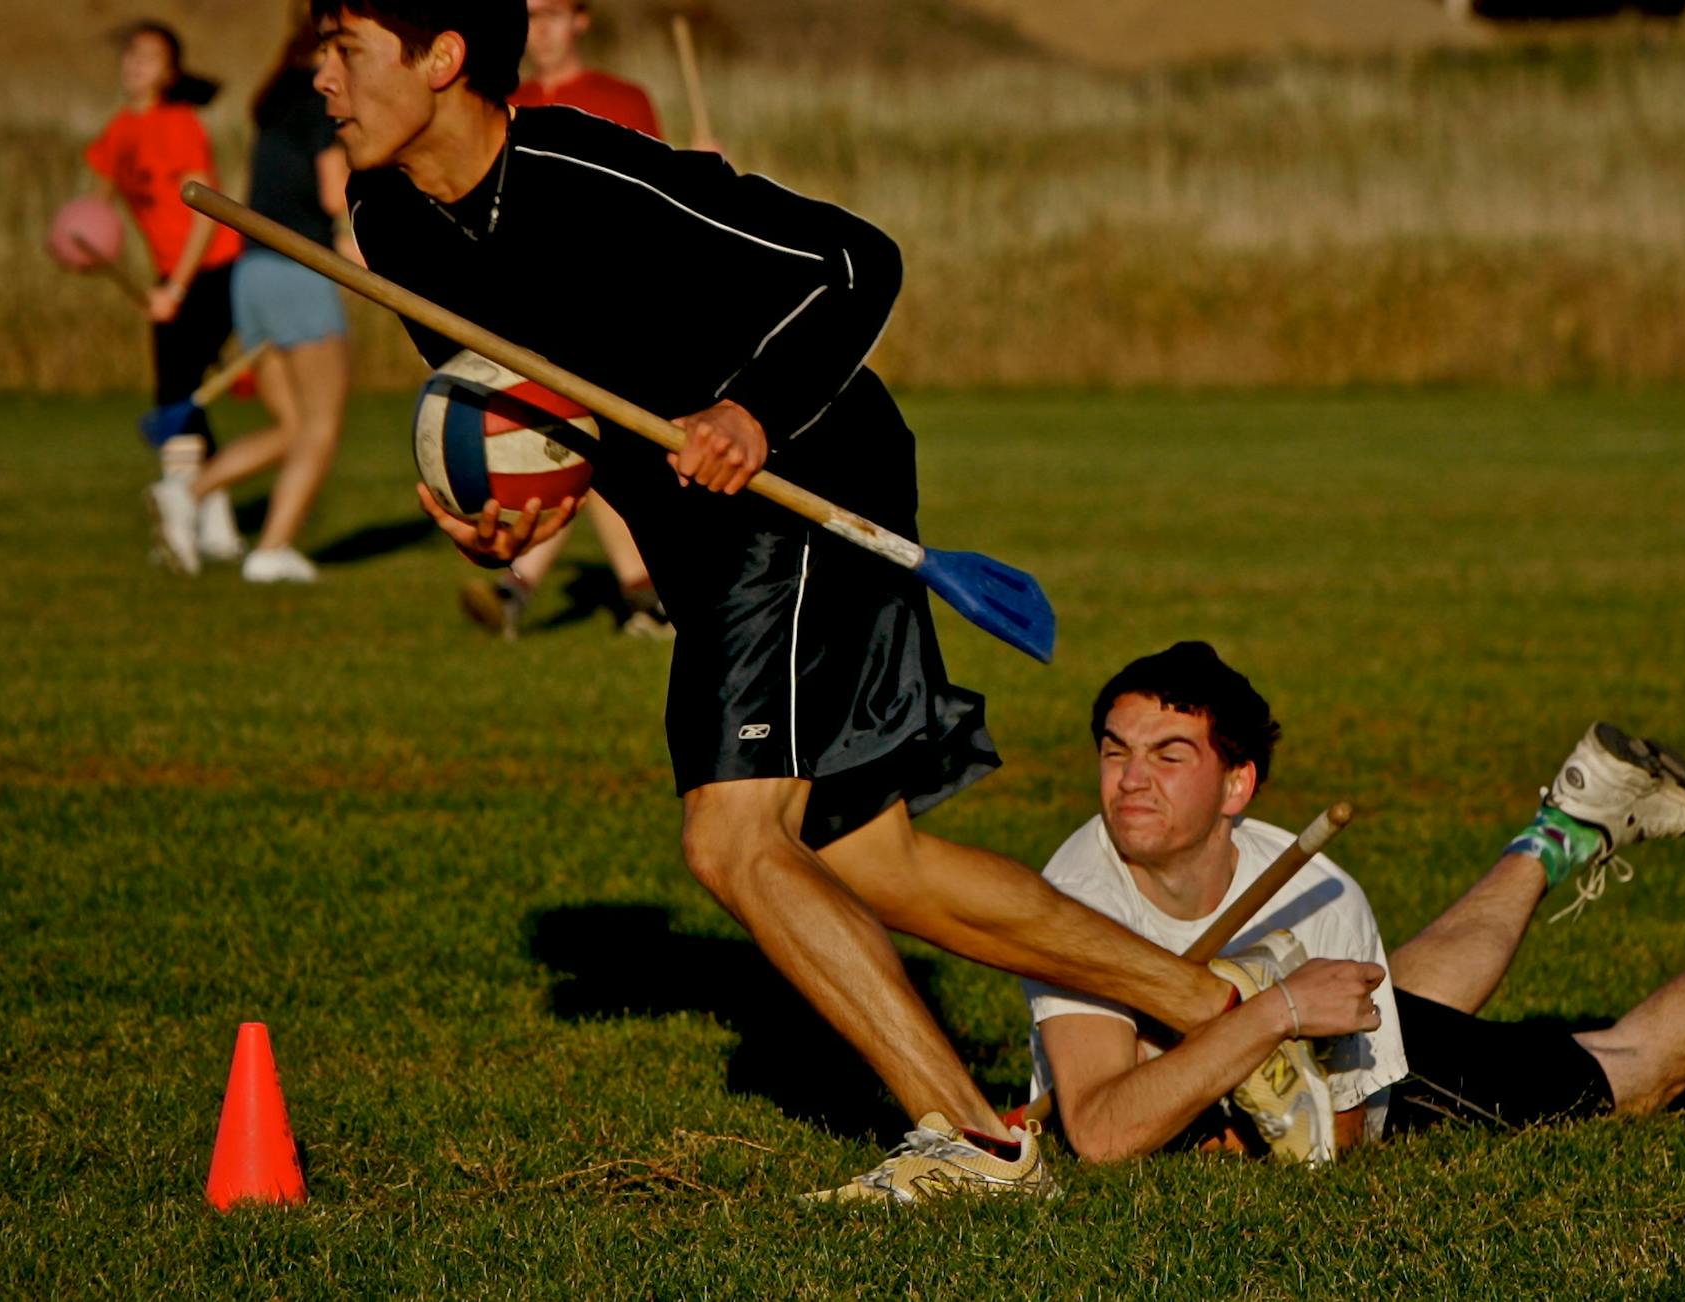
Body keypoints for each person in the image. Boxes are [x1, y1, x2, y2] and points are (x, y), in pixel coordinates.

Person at [308, 0, 1297, 1203]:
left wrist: (751, 412)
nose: (320, 78)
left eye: (344, 50)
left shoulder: (589, 173)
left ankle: (975, 1143)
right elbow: (525, 409)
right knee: (873, 857)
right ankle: (1218, 1006)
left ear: (443, 56)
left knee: (732, 840)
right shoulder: (386, 219)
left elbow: (854, 260)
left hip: (809, 475)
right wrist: (510, 513)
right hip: (695, 524)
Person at [1024, 643, 1685, 1163]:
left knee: (1629, 1069)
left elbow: (1328, 1135)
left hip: (1347, 1073)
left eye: (1169, 756)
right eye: (1115, 753)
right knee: (1410, 1003)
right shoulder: (1075, 887)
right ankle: (1569, 825)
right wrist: (1237, 1053)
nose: (1131, 783)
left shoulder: (1321, 888)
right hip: (1300, 1031)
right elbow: (1104, 1117)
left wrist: (1268, 1029)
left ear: (1237, 786)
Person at [456, 0, 672, 637]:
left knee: (594, 444)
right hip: (531, 307)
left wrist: (704, 162)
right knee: (581, 442)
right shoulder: (501, 100)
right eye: (528, 15)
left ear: (580, 19)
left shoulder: (624, 99)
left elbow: (661, 196)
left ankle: (532, 589)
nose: (539, 29)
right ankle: (638, 597)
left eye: (551, 14)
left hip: (617, 302)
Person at [148, 13, 355, 583]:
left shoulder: (276, 98)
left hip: (252, 273)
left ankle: (187, 492)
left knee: (291, 426)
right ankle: (271, 549)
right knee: (321, 425)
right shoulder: (322, 103)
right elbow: (335, 193)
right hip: (297, 270)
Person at [84, 20, 246, 566]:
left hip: (211, 269)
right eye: (130, 55)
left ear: (170, 72)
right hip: (169, 278)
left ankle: (181, 517)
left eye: (148, 58)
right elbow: (96, 206)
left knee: (176, 395)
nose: (134, 65)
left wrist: (177, 288)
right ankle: (218, 523)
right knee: (185, 395)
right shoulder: (118, 130)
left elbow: (206, 208)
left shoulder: (177, 123)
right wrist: (79, 242)